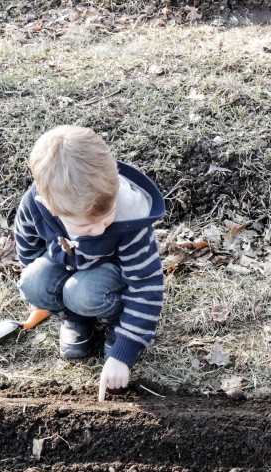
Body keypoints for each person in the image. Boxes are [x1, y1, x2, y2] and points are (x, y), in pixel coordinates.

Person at [14, 125, 165, 401]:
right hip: (71, 267)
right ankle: (75, 319)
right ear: (50, 207)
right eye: (86, 225)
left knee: (81, 292)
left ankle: (114, 324)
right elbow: (27, 246)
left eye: (106, 217)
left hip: (108, 281)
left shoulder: (129, 221)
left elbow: (145, 285)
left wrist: (125, 350)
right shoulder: (37, 205)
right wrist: (46, 298)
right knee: (33, 282)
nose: (99, 230)